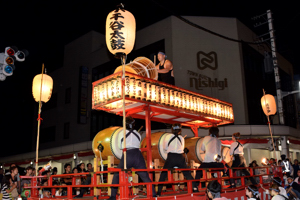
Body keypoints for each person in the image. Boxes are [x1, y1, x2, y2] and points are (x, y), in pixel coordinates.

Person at [106, 116, 156, 200]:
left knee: (117, 174)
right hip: (138, 155)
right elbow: (138, 143)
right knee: (144, 176)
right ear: (134, 125)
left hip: (128, 154)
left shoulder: (121, 133)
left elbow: (119, 146)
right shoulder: (137, 134)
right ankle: (153, 194)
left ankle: (113, 196)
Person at [156, 123, 197, 196]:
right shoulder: (181, 138)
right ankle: (195, 188)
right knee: (187, 174)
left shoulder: (167, 137)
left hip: (171, 157)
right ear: (180, 130)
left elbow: (165, 148)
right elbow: (182, 147)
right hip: (180, 157)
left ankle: (159, 192)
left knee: (163, 174)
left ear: (172, 129)